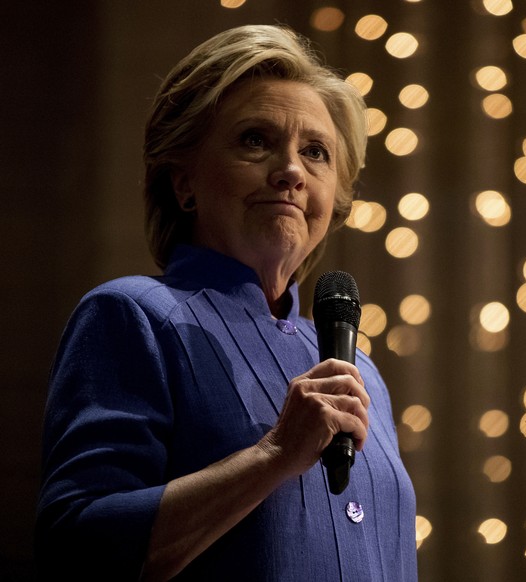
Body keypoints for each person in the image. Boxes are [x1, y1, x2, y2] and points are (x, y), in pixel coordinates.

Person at [35, 24, 417, 581]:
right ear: (184, 182)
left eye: (315, 152)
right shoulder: (133, 316)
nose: (290, 171)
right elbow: (77, 547)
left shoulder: (365, 375)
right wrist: (274, 455)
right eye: (255, 140)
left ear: (334, 198)